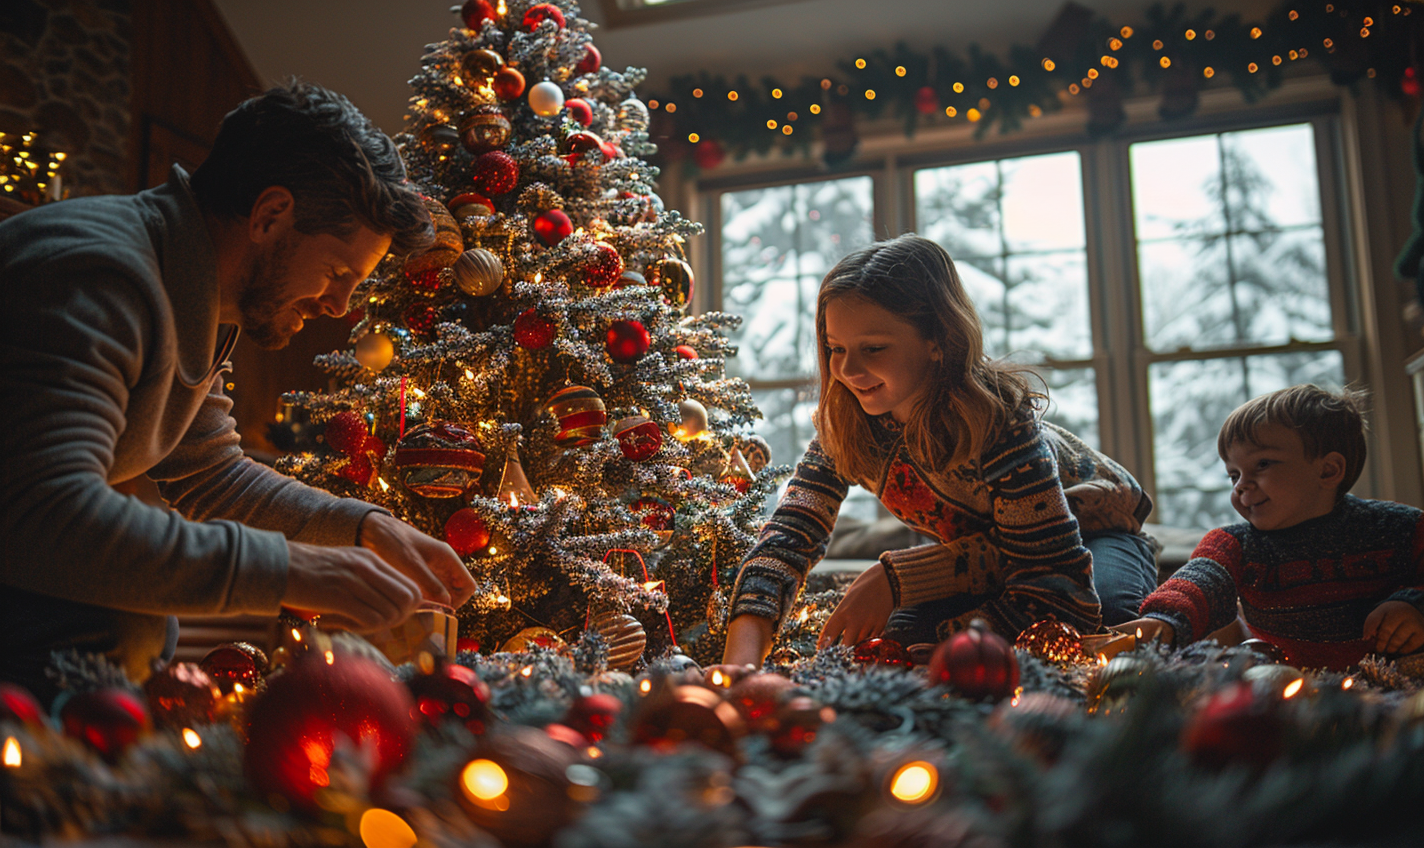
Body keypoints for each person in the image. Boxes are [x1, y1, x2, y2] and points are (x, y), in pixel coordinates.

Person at [0, 82, 476, 703]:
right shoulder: (98, 276)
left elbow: (210, 473)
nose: (339, 307)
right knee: (119, 625)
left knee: (141, 628)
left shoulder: (196, 293)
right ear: (270, 215)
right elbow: (44, 516)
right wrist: (292, 570)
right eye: (337, 274)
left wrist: (362, 526)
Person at [715, 234, 1155, 674]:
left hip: (1095, 530)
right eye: (836, 349)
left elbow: (1055, 583)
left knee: (1105, 634)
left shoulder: (1000, 423)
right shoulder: (844, 429)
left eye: (873, 348)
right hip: (986, 560)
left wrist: (901, 581)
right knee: (893, 649)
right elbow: (789, 535)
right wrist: (740, 664)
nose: (848, 370)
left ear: (937, 341)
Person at [1119, 385, 1424, 670]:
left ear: (1328, 470)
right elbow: (1200, 582)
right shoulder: (1233, 544)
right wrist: (1164, 620)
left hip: (1397, 682)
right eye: (1233, 474)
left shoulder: (1397, 527)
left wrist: (1413, 604)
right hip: (1284, 687)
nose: (1241, 486)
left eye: (1263, 464)